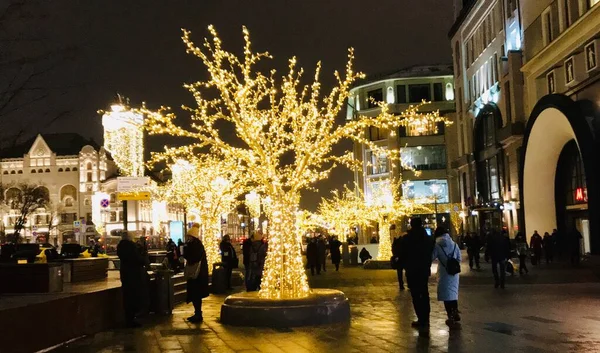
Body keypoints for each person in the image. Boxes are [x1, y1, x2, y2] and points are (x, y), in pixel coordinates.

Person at [401, 218, 434, 328]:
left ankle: (421, 318)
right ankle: (426, 319)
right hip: (424, 270)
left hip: (412, 270)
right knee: (424, 293)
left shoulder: (407, 239)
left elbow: (402, 254)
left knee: (415, 295)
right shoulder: (428, 239)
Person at [431, 227, 461, 327]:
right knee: (453, 293)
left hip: (444, 273)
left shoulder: (437, 245)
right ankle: (455, 312)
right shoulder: (454, 244)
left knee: (446, 295)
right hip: (454, 273)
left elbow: (432, 257)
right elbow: (459, 258)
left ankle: (450, 316)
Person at [117, 231, 147, 328]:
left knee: (127, 296)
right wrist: (143, 259)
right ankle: (131, 319)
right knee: (134, 296)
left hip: (125, 274)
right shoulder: (130, 246)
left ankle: (128, 318)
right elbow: (137, 259)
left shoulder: (120, 246)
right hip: (134, 275)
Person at [183, 223, 209, 323]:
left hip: (197, 275)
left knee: (196, 294)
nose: (187, 238)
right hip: (198, 274)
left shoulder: (195, 245)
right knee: (196, 295)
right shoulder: (196, 244)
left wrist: (185, 253)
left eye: (189, 236)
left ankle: (198, 314)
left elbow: (192, 258)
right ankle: (197, 313)